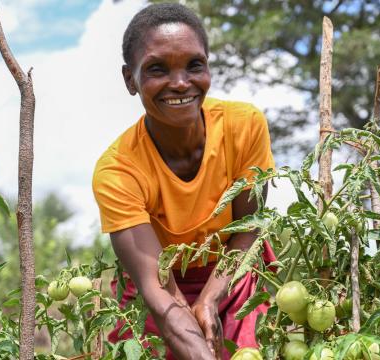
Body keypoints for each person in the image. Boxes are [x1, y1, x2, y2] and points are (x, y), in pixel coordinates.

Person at [92, 3, 275, 359]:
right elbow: (157, 290)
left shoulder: (244, 127)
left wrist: (210, 298)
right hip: (157, 290)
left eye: (194, 65)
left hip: (231, 273)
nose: (180, 83)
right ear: (131, 80)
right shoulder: (118, 171)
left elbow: (249, 230)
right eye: (157, 69)